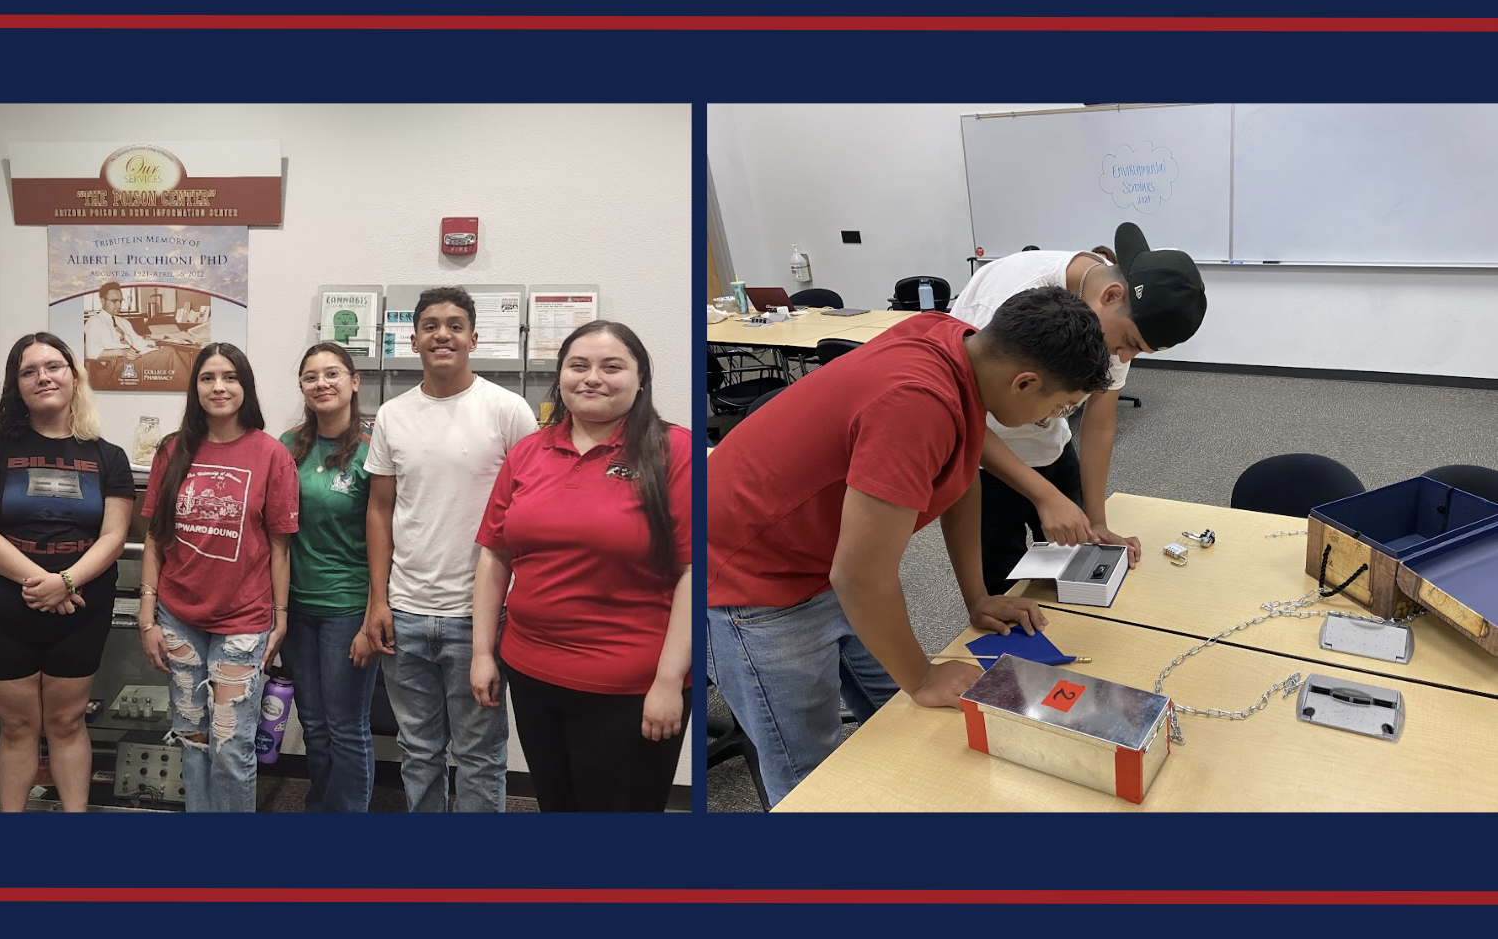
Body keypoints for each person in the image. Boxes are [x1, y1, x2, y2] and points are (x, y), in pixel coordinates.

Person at [708, 286, 1113, 806]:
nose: (1052, 419)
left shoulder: (958, 343)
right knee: (810, 772)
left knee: (904, 715)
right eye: (1057, 407)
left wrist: (978, 598)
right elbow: (859, 578)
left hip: (825, 558)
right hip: (754, 580)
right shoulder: (918, 404)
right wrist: (920, 676)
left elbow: (962, 477)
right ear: (1025, 382)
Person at [468, 321, 692, 812]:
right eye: (578, 366)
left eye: (612, 367)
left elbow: (693, 574)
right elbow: (495, 553)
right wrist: (483, 651)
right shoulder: (530, 451)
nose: (593, 378)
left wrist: (669, 682)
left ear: (640, 379)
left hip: (631, 685)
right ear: (561, 375)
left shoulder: (676, 452)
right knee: (558, 803)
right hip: (532, 674)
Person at [948, 222, 1207, 594]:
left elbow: (1100, 424)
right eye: (1129, 342)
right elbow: (964, 416)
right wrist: (1043, 495)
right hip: (984, 456)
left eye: (1138, 351)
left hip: (1050, 443)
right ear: (1112, 295)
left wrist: (1097, 521)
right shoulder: (1007, 297)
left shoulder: (1119, 321)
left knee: (1077, 567)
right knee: (1003, 585)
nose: (1124, 356)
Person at [355, 287, 533, 813]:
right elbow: (380, 510)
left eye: (455, 325)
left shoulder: (508, 410)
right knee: (418, 751)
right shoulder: (392, 415)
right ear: (413, 341)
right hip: (406, 613)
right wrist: (378, 601)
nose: (442, 334)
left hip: (479, 618)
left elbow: (531, 506)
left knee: (480, 753)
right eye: (430, 325)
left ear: (474, 338)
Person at [0, 333, 132, 812]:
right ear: (18, 386)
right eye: (29, 371)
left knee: (68, 723)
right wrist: (44, 582)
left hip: (80, 606)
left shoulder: (106, 455)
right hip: (3, 605)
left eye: (53, 367)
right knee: (15, 727)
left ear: (74, 378)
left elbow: (113, 537)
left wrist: (67, 582)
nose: (43, 378)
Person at [138, 343, 297, 813]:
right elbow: (153, 536)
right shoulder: (172, 450)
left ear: (244, 386)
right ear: (196, 388)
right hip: (177, 616)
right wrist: (147, 617)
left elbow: (280, 546)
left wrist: (279, 618)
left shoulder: (271, 454)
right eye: (208, 378)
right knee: (193, 737)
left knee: (231, 746)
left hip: (244, 619)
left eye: (229, 377)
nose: (219, 387)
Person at [278, 341, 378, 811]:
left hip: (348, 609)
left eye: (333, 374)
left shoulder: (371, 452)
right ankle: (319, 810)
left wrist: (372, 617)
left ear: (354, 382)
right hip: (297, 607)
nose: (323, 384)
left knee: (346, 727)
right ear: (302, 386)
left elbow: (387, 538)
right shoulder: (286, 446)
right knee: (313, 724)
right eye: (312, 376)